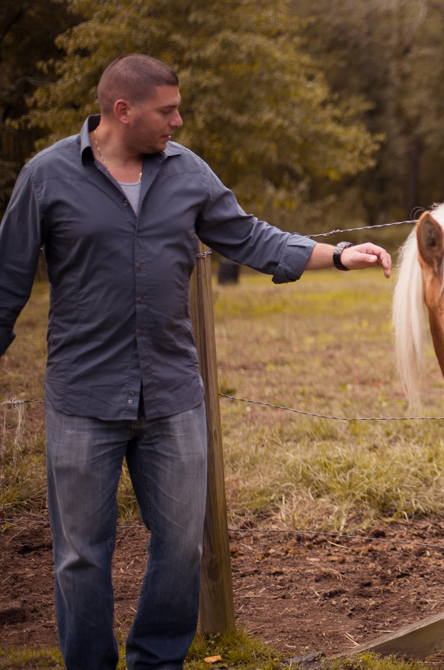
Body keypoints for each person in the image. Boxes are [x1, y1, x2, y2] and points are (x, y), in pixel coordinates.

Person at [0, 54, 392, 670]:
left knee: (183, 545)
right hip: (82, 399)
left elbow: (252, 237)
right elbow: (7, 283)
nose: (178, 121)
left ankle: (157, 662)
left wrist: (340, 256)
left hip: (172, 395)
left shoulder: (187, 172)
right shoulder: (46, 176)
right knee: (80, 557)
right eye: (167, 110)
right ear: (121, 110)